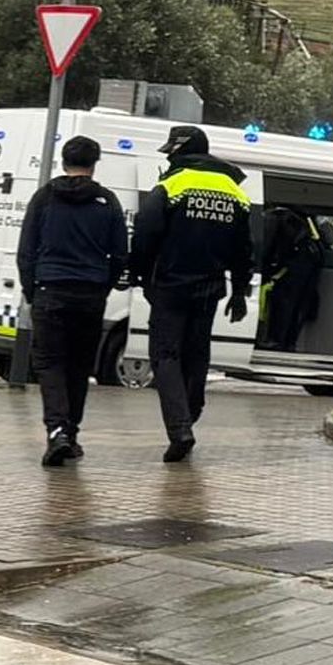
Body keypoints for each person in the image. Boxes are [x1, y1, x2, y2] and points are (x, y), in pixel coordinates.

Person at [129, 125, 254, 462]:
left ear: (182, 151)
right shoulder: (236, 193)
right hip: (210, 287)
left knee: (165, 355)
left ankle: (180, 427)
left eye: (171, 150)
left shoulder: (172, 185)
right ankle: (193, 407)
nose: (168, 156)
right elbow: (244, 250)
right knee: (197, 353)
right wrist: (240, 291)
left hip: (170, 285)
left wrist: (138, 273)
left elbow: (145, 232)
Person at [17, 135, 128, 467]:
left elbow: (26, 251)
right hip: (90, 294)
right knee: (80, 367)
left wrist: (31, 289)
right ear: (94, 165)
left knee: (49, 364)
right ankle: (71, 432)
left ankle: (57, 432)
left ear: (63, 162)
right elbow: (120, 255)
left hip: (50, 291)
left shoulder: (44, 198)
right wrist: (103, 286)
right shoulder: (107, 202)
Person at [260, 206, 324, 352]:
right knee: (296, 305)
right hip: (304, 267)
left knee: (284, 303)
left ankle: (276, 340)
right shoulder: (305, 222)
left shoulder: (278, 217)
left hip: (292, 269)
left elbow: (266, 248)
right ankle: (288, 342)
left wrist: (266, 269)